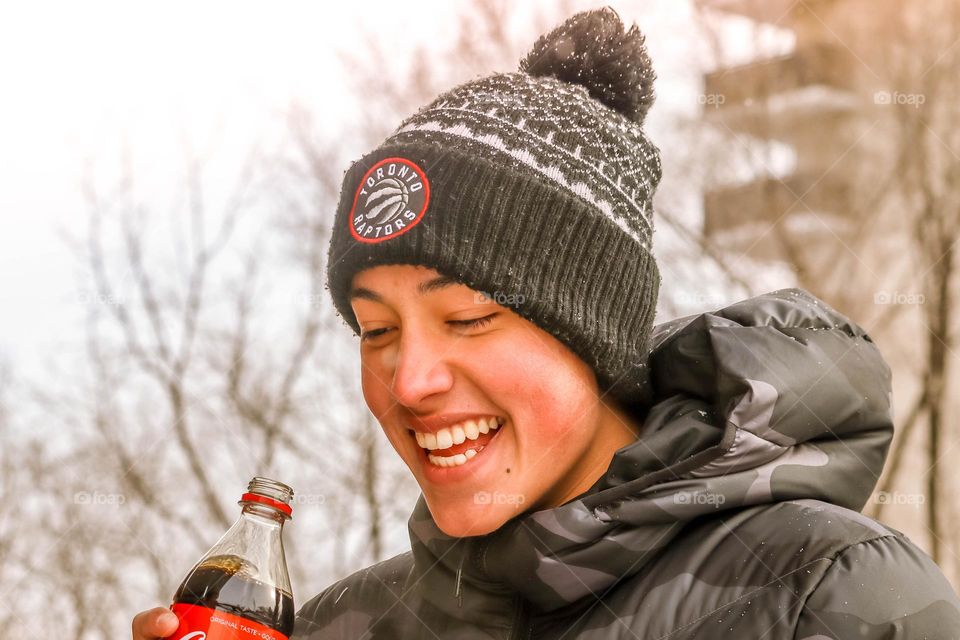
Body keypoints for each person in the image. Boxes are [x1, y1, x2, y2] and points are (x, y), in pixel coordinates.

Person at [133, 7, 960, 639]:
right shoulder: (347, 624)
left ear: (591, 337)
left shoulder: (829, 589)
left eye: (468, 317)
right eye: (375, 330)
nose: (410, 381)